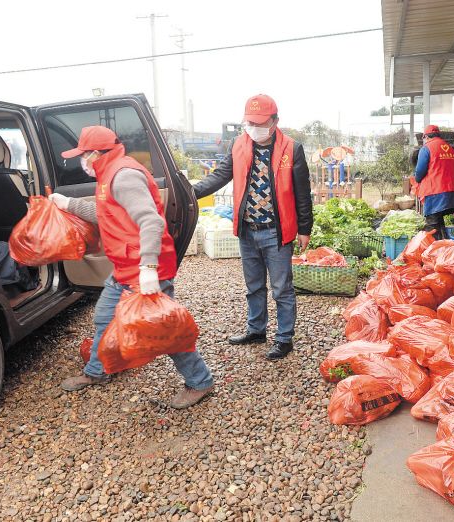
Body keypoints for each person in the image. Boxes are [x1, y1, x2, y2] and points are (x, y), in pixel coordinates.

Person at [50, 126, 214, 409]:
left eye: (83, 155)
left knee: (166, 332)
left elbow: (151, 222)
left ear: (96, 153)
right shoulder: (108, 174)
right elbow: (106, 215)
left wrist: (149, 267)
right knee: (104, 317)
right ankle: (96, 372)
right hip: (125, 267)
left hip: (145, 268)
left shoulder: (123, 176)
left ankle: (200, 382)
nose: (81, 161)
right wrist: (69, 204)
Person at [192, 94, 313, 361]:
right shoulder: (238, 145)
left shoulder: (292, 149)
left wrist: (305, 228)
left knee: (281, 288)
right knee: (253, 285)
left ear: (275, 121)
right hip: (248, 229)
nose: (254, 127)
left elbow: (303, 193)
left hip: (276, 231)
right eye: (249, 122)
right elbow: (219, 176)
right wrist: (189, 192)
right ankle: (256, 330)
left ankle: (284, 338)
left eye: (259, 122)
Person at [414, 124, 454, 240]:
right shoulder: (450, 148)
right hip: (452, 192)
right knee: (439, 222)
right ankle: (445, 248)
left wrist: (417, 180)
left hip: (435, 192)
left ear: (425, 136)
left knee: (432, 226)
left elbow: (419, 171)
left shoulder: (426, 148)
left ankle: (432, 253)